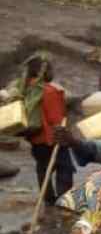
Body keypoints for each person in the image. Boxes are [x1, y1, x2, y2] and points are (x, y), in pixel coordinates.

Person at [7, 54, 71, 202]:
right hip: (51, 138)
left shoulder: (25, 88)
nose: (53, 73)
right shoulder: (50, 91)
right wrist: (64, 136)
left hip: (35, 139)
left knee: (42, 169)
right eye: (51, 69)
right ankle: (64, 201)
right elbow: (55, 119)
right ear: (44, 72)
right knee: (64, 168)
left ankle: (47, 199)